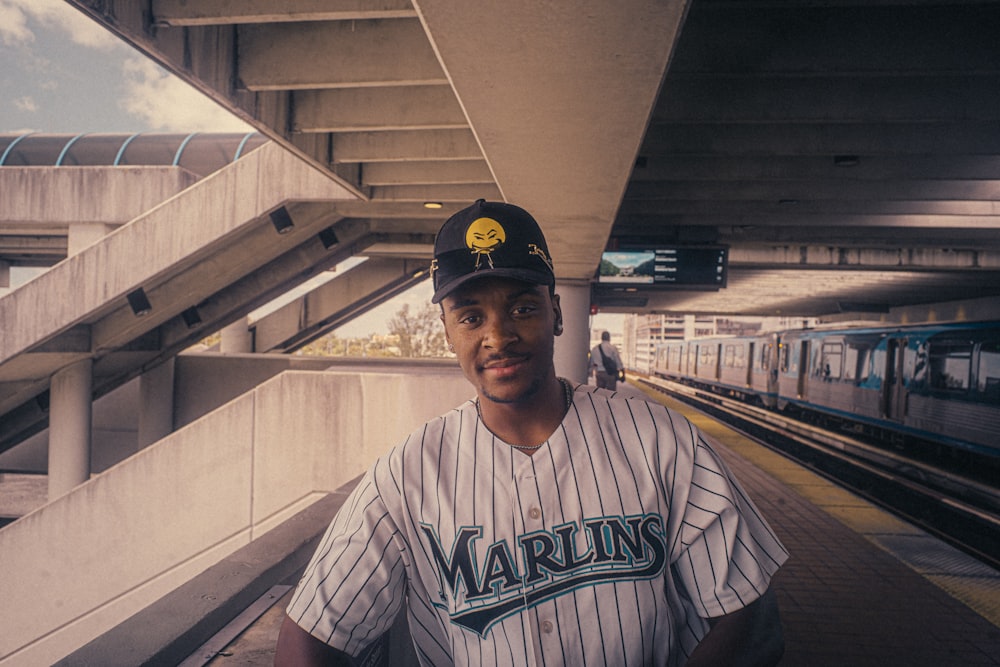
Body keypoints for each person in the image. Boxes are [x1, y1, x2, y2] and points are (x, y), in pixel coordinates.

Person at [275, 199, 788, 666]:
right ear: (448, 332)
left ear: (558, 313)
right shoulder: (407, 475)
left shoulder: (659, 438)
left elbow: (746, 614)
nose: (498, 336)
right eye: (471, 316)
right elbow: (311, 635)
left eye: (522, 308)